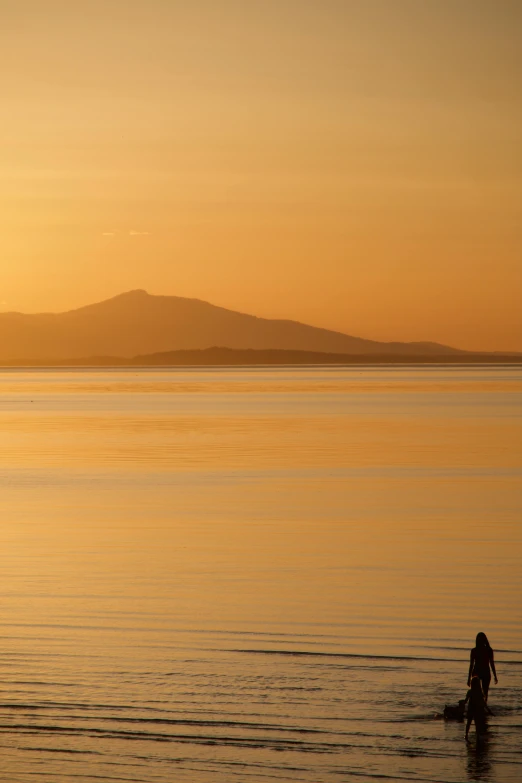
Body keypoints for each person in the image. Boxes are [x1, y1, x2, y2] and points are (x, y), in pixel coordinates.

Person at [467, 632, 498, 702]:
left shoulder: (475, 650)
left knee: (480, 692)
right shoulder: (488, 650)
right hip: (482, 672)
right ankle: (482, 706)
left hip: (480, 672)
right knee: (484, 692)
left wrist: (469, 678)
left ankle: (479, 706)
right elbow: (492, 664)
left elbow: (471, 665)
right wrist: (495, 676)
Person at [465, 675, 493, 741]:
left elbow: (466, 700)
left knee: (468, 723)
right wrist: (488, 710)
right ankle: (477, 735)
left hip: (471, 709)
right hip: (477, 710)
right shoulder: (479, 693)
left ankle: (466, 734)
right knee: (477, 724)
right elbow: (483, 703)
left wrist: (462, 703)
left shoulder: (470, 692)